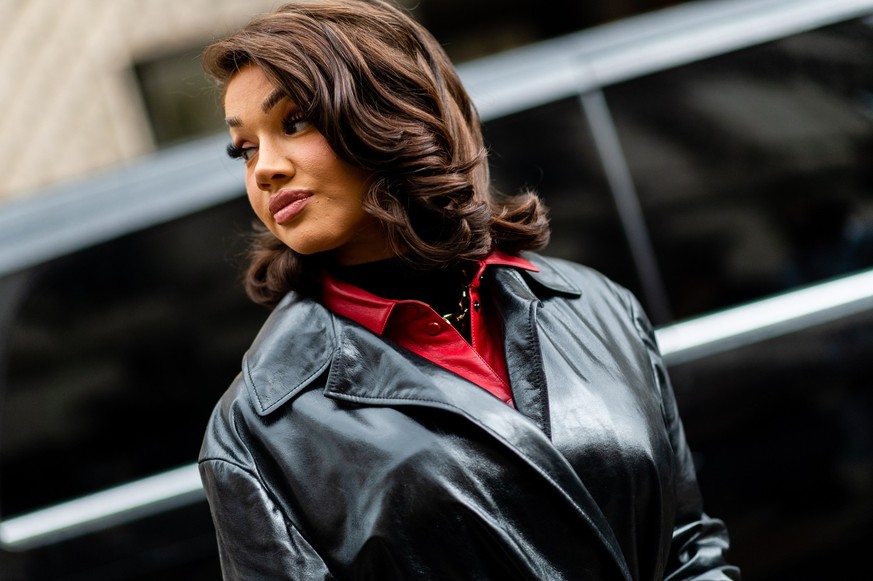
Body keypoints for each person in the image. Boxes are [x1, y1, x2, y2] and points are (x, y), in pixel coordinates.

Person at [197, 1, 741, 579]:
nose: (264, 169)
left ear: (394, 111)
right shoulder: (257, 426)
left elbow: (689, 546)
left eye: (294, 122)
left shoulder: (601, 307)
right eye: (245, 149)